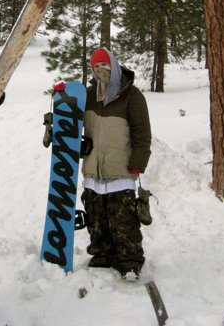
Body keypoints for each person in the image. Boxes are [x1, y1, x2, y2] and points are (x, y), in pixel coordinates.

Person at [81, 47, 152, 279]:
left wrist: (138, 163)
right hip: (93, 170)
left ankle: (129, 260)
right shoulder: (89, 96)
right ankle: (102, 255)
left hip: (121, 170)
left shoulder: (132, 96)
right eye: (96, 67)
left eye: (105, 65)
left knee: (123, 221)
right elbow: (71, 122)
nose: (101, 70)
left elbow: (143, 134)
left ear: (114, 65)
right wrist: (62, 98)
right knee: (96, 218)